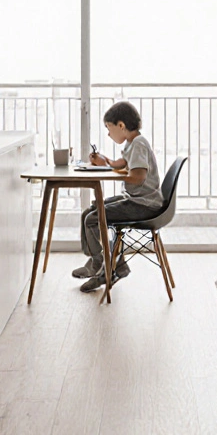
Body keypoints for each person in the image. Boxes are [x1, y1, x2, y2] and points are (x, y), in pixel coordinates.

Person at [75, 101, 163, 293]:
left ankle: (101, 266)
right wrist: (104, 161)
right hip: (139, 200)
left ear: (121, 125)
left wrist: (110, 175)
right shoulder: (133, 143)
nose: (108, 133)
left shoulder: (138, 144)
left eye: (109, 128)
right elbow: (120, 164)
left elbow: (138, 176)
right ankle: (113, 264)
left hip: (143, 205)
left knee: (92, 219)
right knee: (90, 211)